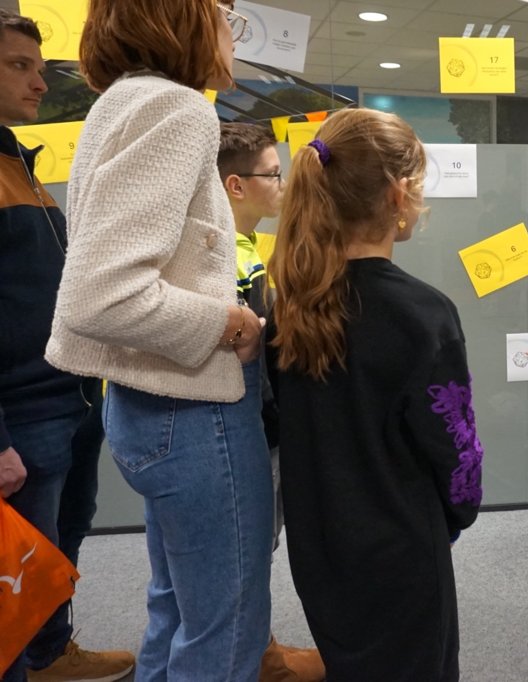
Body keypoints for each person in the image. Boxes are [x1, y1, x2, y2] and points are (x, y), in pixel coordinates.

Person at [45, 2, 274, 680]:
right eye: (223, 12)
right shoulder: (176, 108)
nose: (232, 29)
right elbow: (102, 295)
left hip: (152, 400)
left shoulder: (123, 101)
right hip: (193, 405)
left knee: (178, 610)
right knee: (225, 629)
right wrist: (230, 322)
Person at [266, 108, 483, 681]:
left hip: (319, 543)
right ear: (398, 193)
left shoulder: (288, 306)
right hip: (401, 545)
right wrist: (458, 516)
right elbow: (456, 447)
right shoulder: (424, 314)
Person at [0, 9, 134, 682]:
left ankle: (50, 654)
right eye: (18, 66)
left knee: (58, 546)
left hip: (71, 396)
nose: (40, 83)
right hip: (21, 414)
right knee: (15, 573)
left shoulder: (20, 166)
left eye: (39, 67)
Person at [216, 122, 325, 682]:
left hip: (259, 427)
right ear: (236, 185)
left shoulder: (246, 248)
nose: (283, 185)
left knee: (252, 550)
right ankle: (254, 657)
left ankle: (259, 648)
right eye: (273, 174)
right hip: (246, 431)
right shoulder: (221, 258)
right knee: (244, 552)